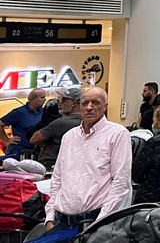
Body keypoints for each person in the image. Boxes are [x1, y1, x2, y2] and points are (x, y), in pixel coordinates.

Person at [45, 87, 132, 231]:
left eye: (95, 102)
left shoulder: (117, 134)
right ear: (80, 106)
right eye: (85, 103)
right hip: (62, 221)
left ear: (105, 106)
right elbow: (57, 178)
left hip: (96, 220)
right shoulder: (69, 136)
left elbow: (120, 182)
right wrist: (49, 217)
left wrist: (100, 222)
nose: (89, 107)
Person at [30, 88, 83, 170]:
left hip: (50, 165)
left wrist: (44, 144)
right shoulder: (86, 122)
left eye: (64, 100)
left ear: (73, 103)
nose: (61, 104)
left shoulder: (62, 122)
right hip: (71, 165)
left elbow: (34, 139)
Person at [0, 88, 46, 158]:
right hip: (18, 153)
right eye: (42, 97)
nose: (45, 99)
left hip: (38, 153)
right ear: (34, 99)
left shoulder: (45, 113)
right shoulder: (19, 112)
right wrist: (7, 141)